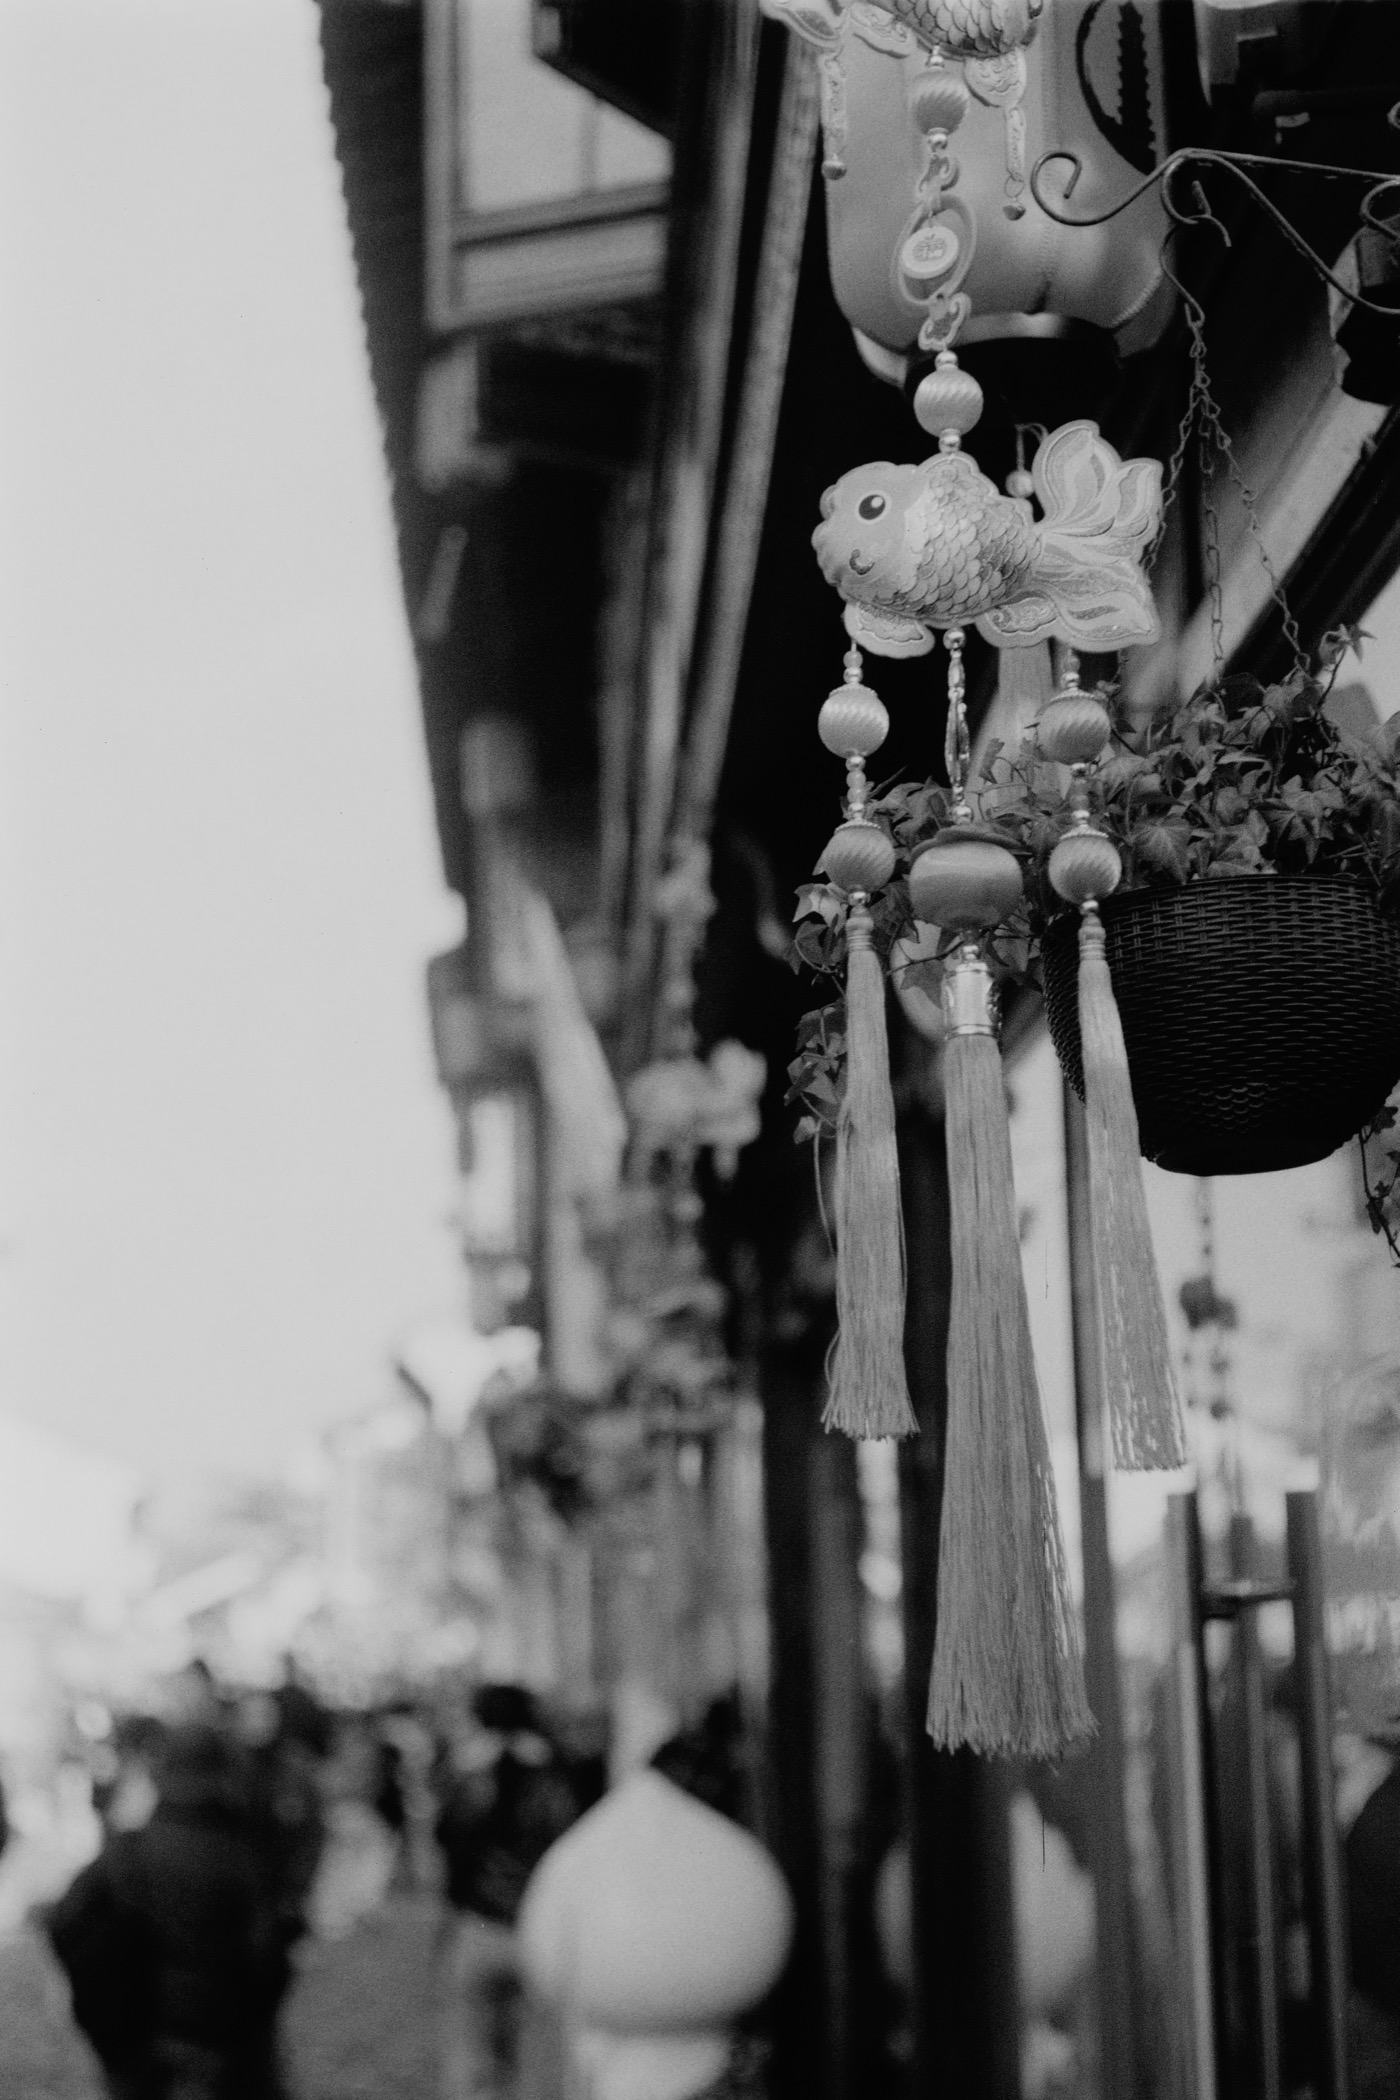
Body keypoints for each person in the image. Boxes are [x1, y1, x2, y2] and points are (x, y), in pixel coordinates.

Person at [45, 1721, 285, 2100]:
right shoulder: (245, 1857)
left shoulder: (128, 1852)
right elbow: (265, 1957)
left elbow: (65, 1924)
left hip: (136, 2035)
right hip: (218, 2040)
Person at [433, 1685, 581, 2100]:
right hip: (541, 1927)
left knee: (472, 2052)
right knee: (541, 2055)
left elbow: (447, 1843)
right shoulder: (555, 1771)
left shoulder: (466, 1772)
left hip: (478, 1924)